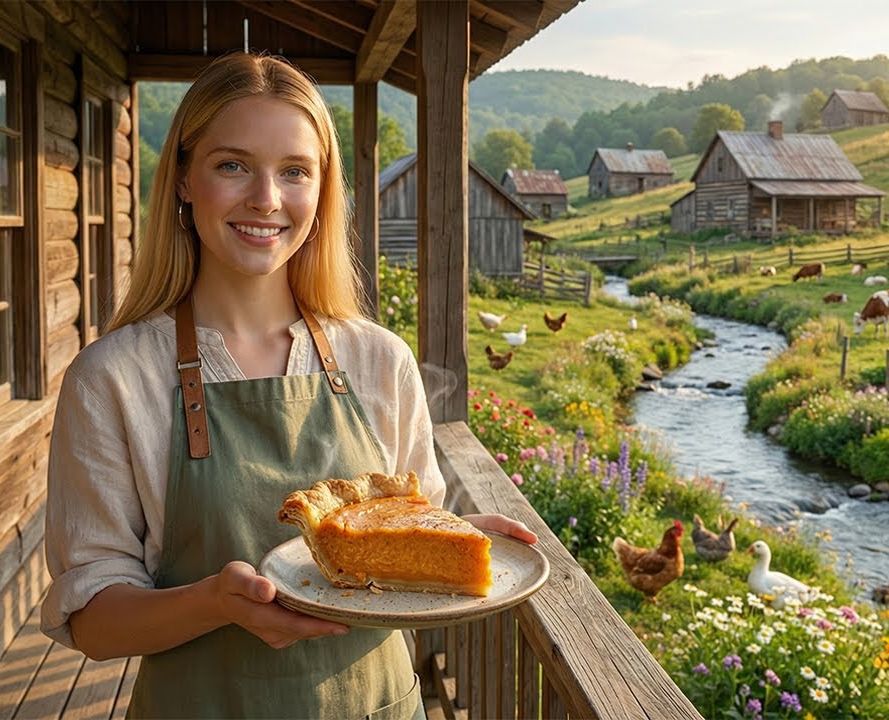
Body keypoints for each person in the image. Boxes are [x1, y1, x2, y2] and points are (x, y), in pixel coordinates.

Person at [41, 52, 534, 719]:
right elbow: (95, 625)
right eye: (232, 164)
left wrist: (444, 543)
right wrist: (215, 602)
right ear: (184, 179)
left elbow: (406, 548)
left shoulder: (379, 360)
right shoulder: (114, 378)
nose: (266, 199)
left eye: (295, 171)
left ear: (322, 190)